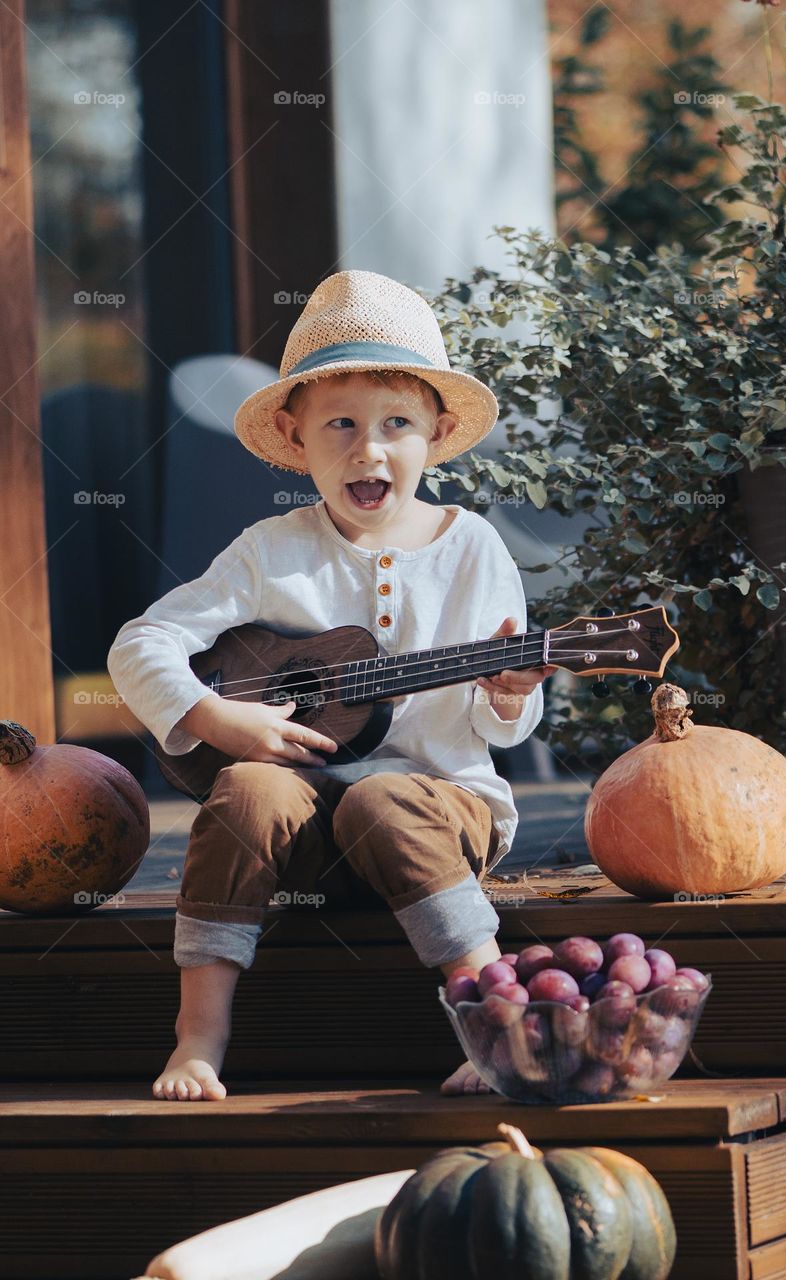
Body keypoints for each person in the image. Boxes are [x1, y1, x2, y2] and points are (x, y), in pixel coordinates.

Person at [107, 269, 557, 1102]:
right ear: (295, 435)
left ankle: (497, 1019)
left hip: (438, 816)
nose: (368, 448)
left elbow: (506, 729)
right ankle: (200, 1037)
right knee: (244, 787)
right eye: (340, 424)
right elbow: (144, 641)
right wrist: (214, 716)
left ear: (438, 432)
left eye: (396, 424)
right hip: (303, 842)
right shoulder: (271, 549)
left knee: (383, 799)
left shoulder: (472, 550)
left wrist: (507, 689)